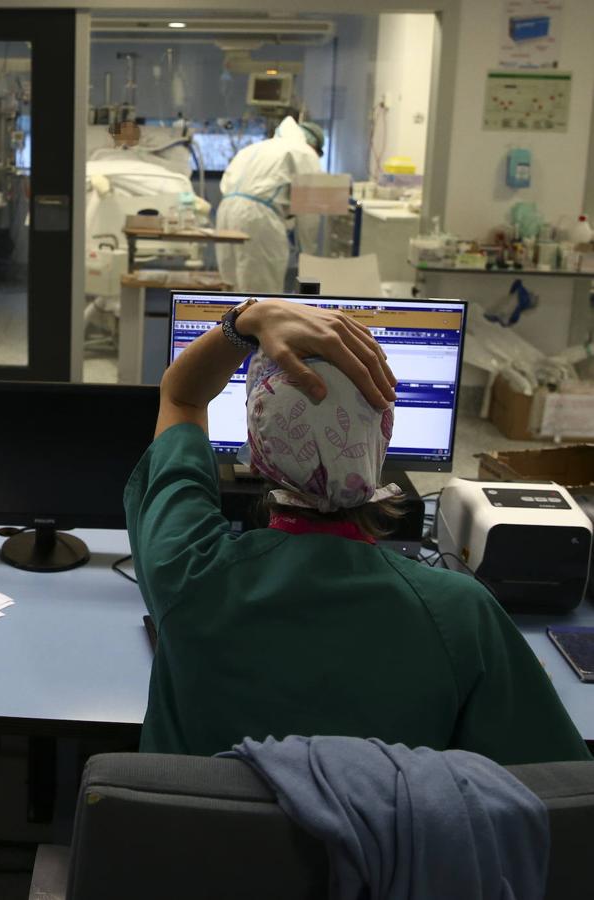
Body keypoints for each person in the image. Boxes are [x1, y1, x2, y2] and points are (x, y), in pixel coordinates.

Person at [124, 298, 592, 765]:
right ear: (382, 433)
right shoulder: (462, 615)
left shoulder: (184, 568)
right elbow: (558, 783)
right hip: (381, 842)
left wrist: (245, 321)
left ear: (258, 450)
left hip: (201, 838)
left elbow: (182, 397)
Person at [215, 116, 324, 293]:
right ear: (314, 145)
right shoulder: (304, 152)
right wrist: (308, 257)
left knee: (231, 285)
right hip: (257, 216)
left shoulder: (254, 148)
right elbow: (308, 212)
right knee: (261, 292)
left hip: (226, 211)